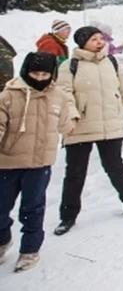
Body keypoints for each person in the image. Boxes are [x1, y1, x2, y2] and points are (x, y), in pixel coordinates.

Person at [54, 26, 123, 235]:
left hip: (110, 123)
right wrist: (72, 115)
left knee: (115, 166)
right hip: (81, 125)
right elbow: (64, 93)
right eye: (94, 39)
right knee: (75, 172)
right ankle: (68, 216)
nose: (99, 42)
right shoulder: (70, 65)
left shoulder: (111, 62)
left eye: (100, 38)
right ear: (83, 42)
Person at [0, 52, 74, 272]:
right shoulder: (8, 96)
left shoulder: (57, 95)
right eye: (35, 73)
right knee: (1, 208)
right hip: (8, 162)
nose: (39, 78)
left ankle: (30, 250)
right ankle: (3, 240)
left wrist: (70, 126)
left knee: (32, 208)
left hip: (40, 163)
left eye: (44, 74)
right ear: (25, 71)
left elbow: (64, 122)